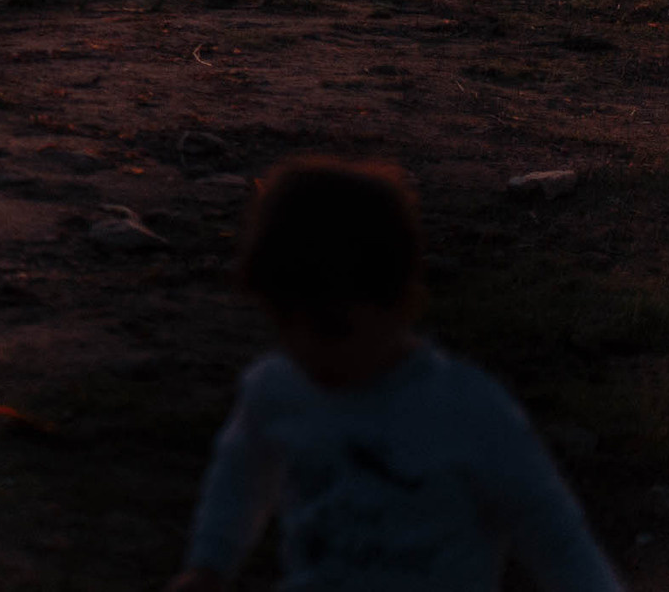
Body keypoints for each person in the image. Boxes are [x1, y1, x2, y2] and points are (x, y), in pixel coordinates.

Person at [167, 160, 622, 592]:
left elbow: (553, 534)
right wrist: (209, 564)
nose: (306, 349)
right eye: (285, 322)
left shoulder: (468, 410)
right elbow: (239, 481)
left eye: (332, 329)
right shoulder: (276, 391)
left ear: (401, 304)